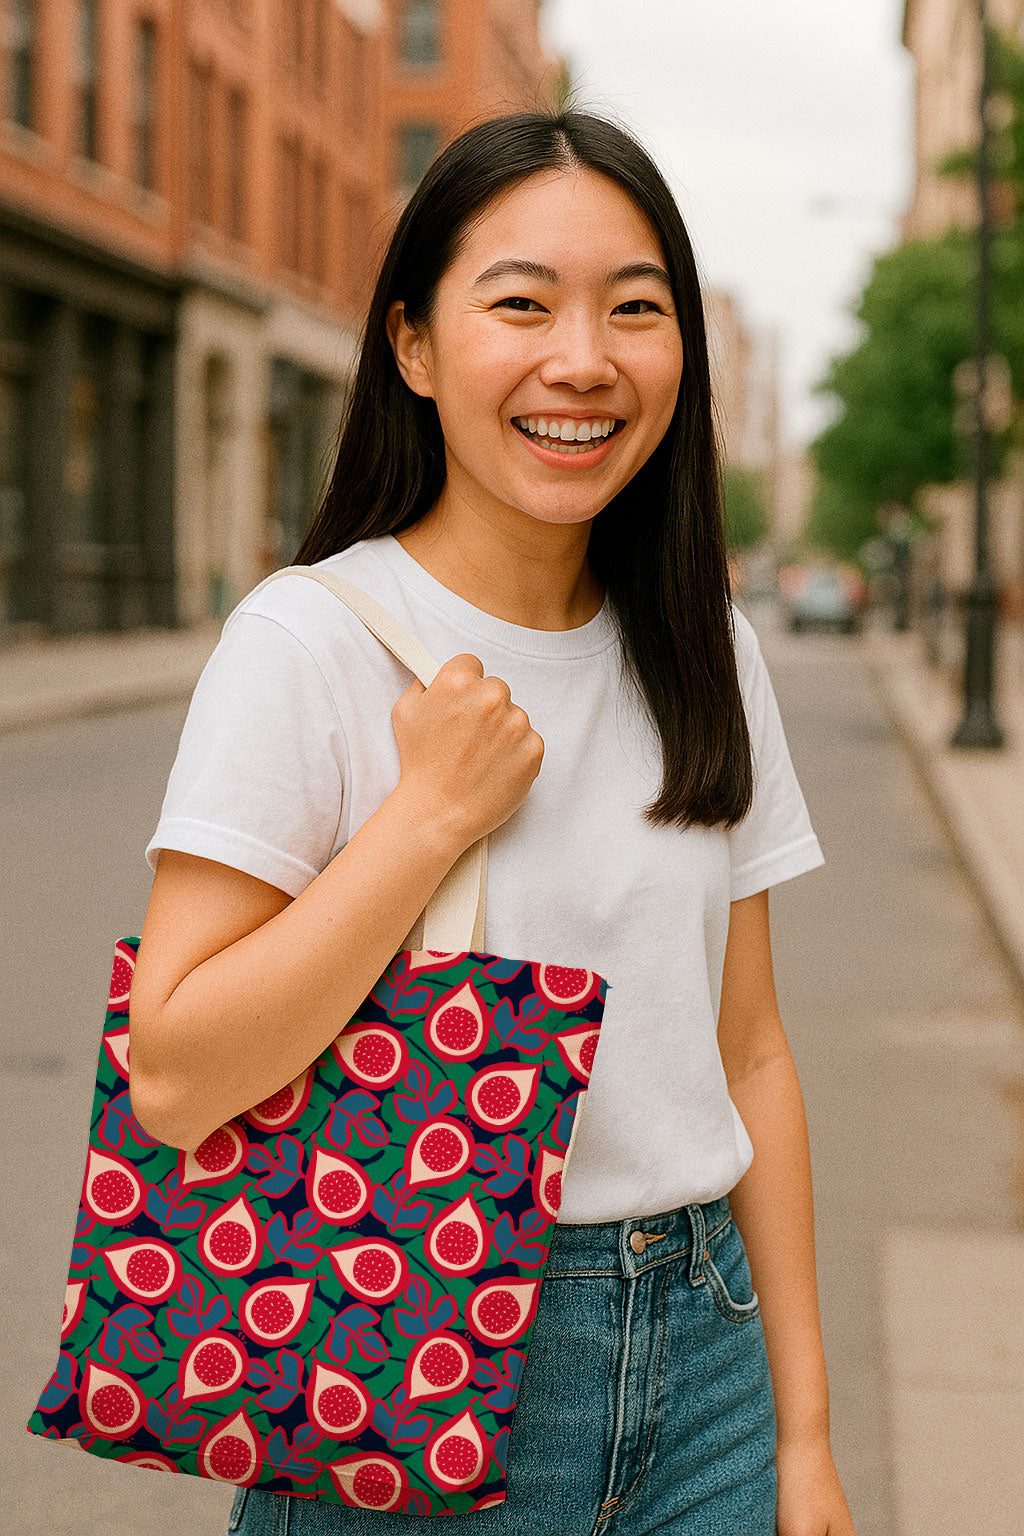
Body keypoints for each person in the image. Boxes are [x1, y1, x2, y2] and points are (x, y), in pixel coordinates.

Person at [129, 107, 854, 1536]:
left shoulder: (704, 642)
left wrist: (806, 1433)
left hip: (705, 1358)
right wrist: (423, 821)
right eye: (520, 303)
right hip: (414, 1334)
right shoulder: (310, 641)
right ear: (413, 345)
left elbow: (750, 1048)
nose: (581, 360)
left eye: (634, 310)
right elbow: (175, 1070)